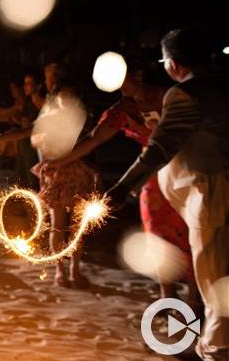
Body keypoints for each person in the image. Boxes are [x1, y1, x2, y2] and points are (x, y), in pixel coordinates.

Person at [109, 29, 228, 361]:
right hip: (210, 192)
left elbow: (160, 148)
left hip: (211, 194)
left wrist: (120, 188)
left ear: (173, 63)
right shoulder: (220, 86)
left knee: (213, 276)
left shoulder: (185, 92)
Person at [40, 64, 199, 310]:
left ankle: (195, 301)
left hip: (187, 171)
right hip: (151, 179)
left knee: (190, 234)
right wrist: (58, 162)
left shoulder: (172, 96)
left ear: (137, 73)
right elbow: (94, 140)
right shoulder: (122, 110)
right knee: (157, 235)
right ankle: (168, 298)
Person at [0, 63, 100, 288]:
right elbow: (31, 131)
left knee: (71, 226)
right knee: (64, 225)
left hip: (72, 170)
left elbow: (90, 142)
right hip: (60, 170)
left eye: (49, 79)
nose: (48, 83)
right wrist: (1, 138)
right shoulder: (62, 108)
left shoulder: (70, 108)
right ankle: (64, 271)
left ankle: (70, 271)